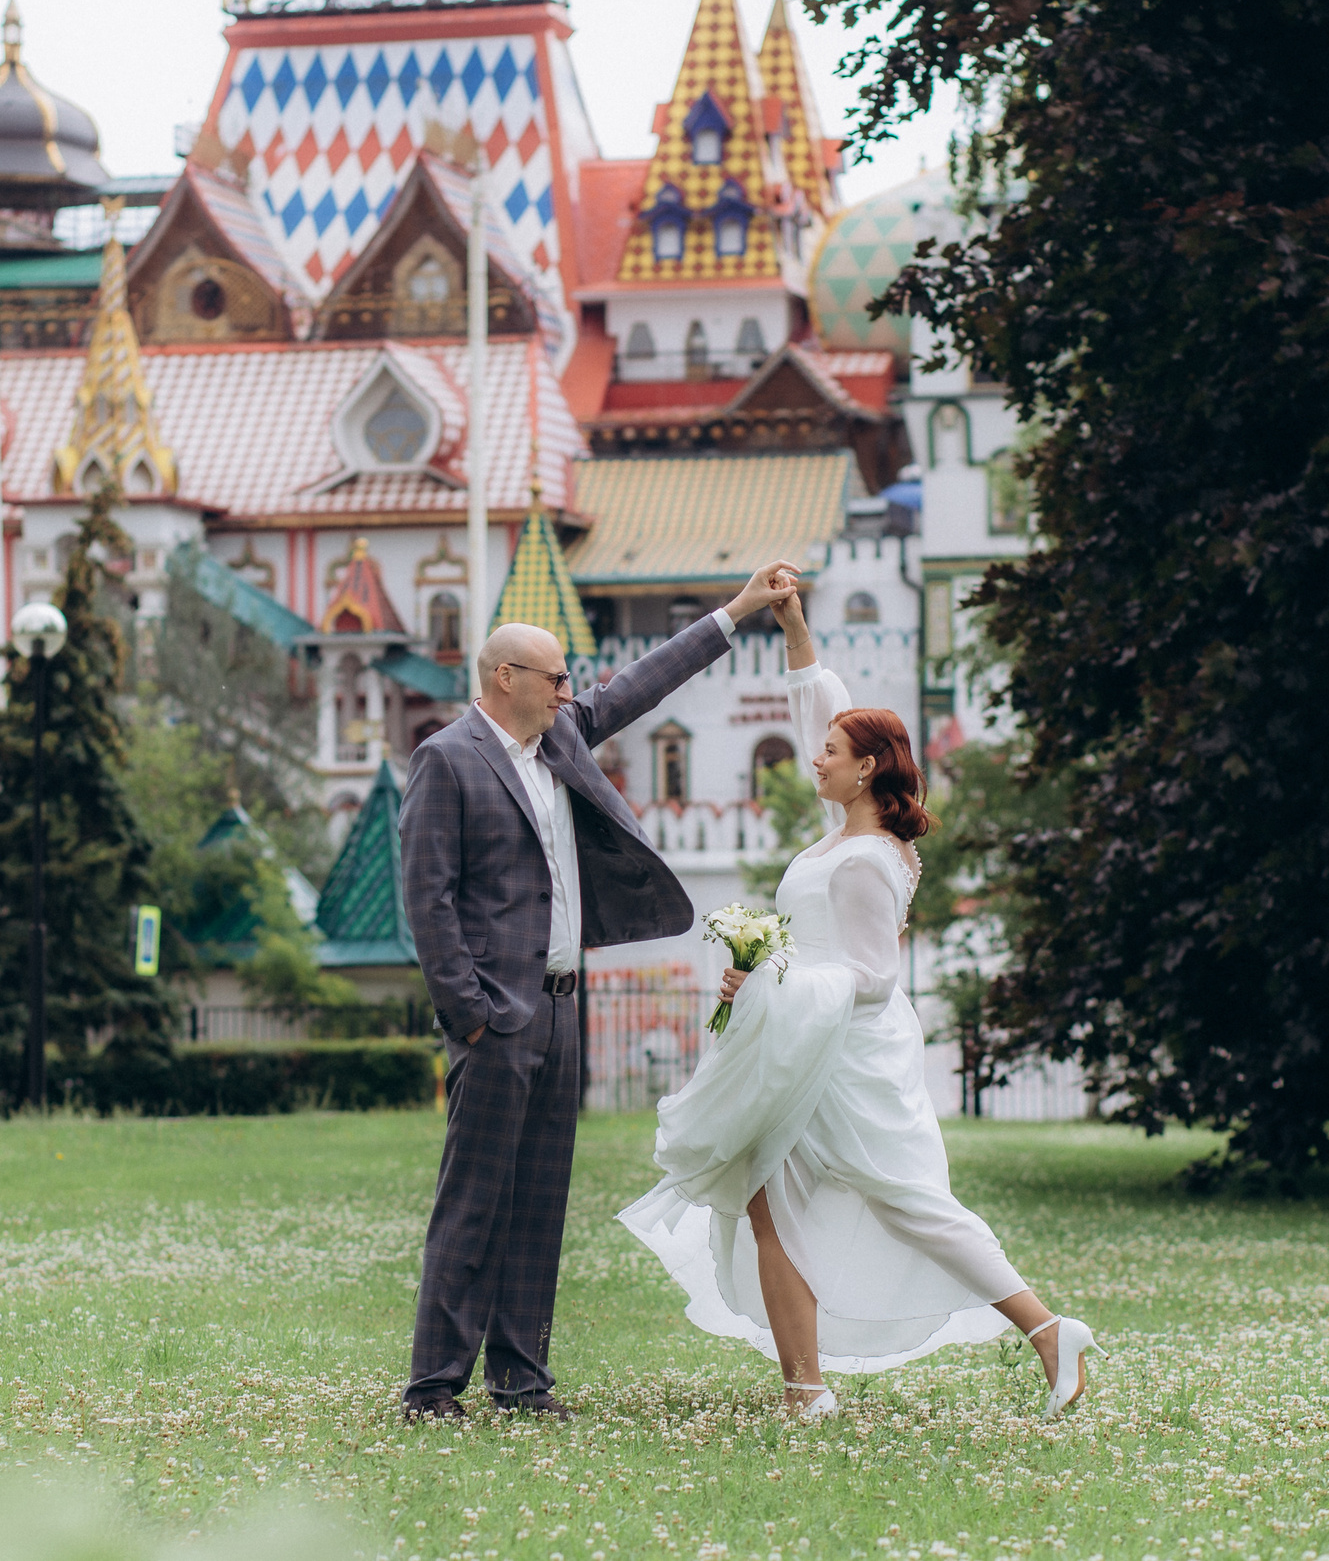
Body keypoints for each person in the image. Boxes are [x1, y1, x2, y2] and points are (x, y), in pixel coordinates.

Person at [618, 572, 1097, 1419]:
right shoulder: (839, 832)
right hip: (801, 1051)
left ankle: (1047, 1328)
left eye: (833, 753)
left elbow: (875, 979)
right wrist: (792, 622)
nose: (816, 758)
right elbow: (817, 707)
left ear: (867, 767)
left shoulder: (871, 860)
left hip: (847, 1059)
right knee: (765, 1199)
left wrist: (769, 976)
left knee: (913, 1204)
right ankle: (804, 1389)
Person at [398, 560, 807, 1421]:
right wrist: (469, 1015)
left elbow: (645, 681)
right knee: (474, 1202)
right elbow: (427, 902)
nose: (569, 689)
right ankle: (434, 1387)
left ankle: (521, 1381)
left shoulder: (562, 736)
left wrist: (738, 610)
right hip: (497, 1020)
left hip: (562, 1004)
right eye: (555, 676)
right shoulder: (448, 760)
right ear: (504, 677)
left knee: (541, 1199)